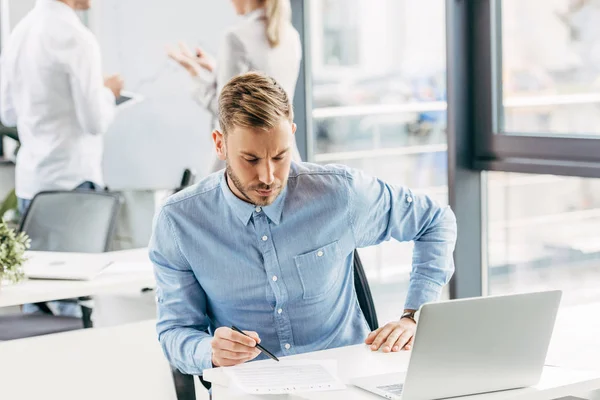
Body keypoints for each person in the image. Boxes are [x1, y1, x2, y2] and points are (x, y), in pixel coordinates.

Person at [149, 72, 457, 374]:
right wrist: (210, 352)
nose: (268, 176)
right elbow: (176, 331)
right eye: (251, 160)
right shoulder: (179, 222)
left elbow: (435, 221)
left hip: (346, 383)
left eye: (280, 156)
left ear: (291, 135)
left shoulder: (340, 193)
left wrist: (415, 316)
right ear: (220, 145)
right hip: (249, 390)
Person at [0, 0, 123, 316]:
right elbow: (94, 121)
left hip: (33, 184)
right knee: (75, 299)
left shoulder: (20, 32)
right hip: (74, 183)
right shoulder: (77, 37)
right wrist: (108, 92)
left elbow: (7, 112)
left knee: (37, 296)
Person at [167, 0, 302, 168]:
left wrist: (194, 74)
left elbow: (226, 109)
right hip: (282, 156)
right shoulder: (291, 36)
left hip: (246, 157)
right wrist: (216, 68)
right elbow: (264, 88)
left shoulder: (236, 38)